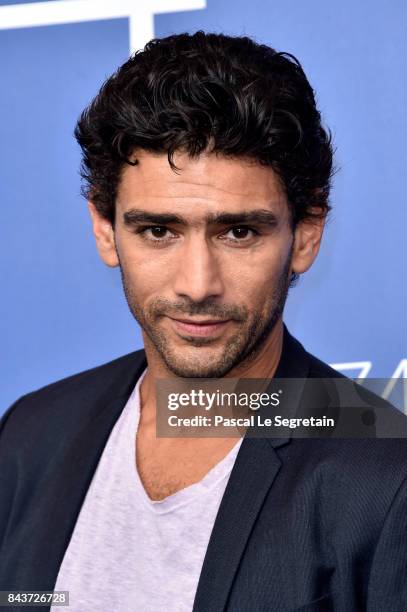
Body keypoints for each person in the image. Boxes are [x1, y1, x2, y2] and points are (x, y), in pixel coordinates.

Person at [1, 31, 406, 612]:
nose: (198, 284)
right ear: (104, 228)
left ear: (307, 233)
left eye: (239, 232)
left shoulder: (385, 482)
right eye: (158, 231)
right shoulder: (30, 434)